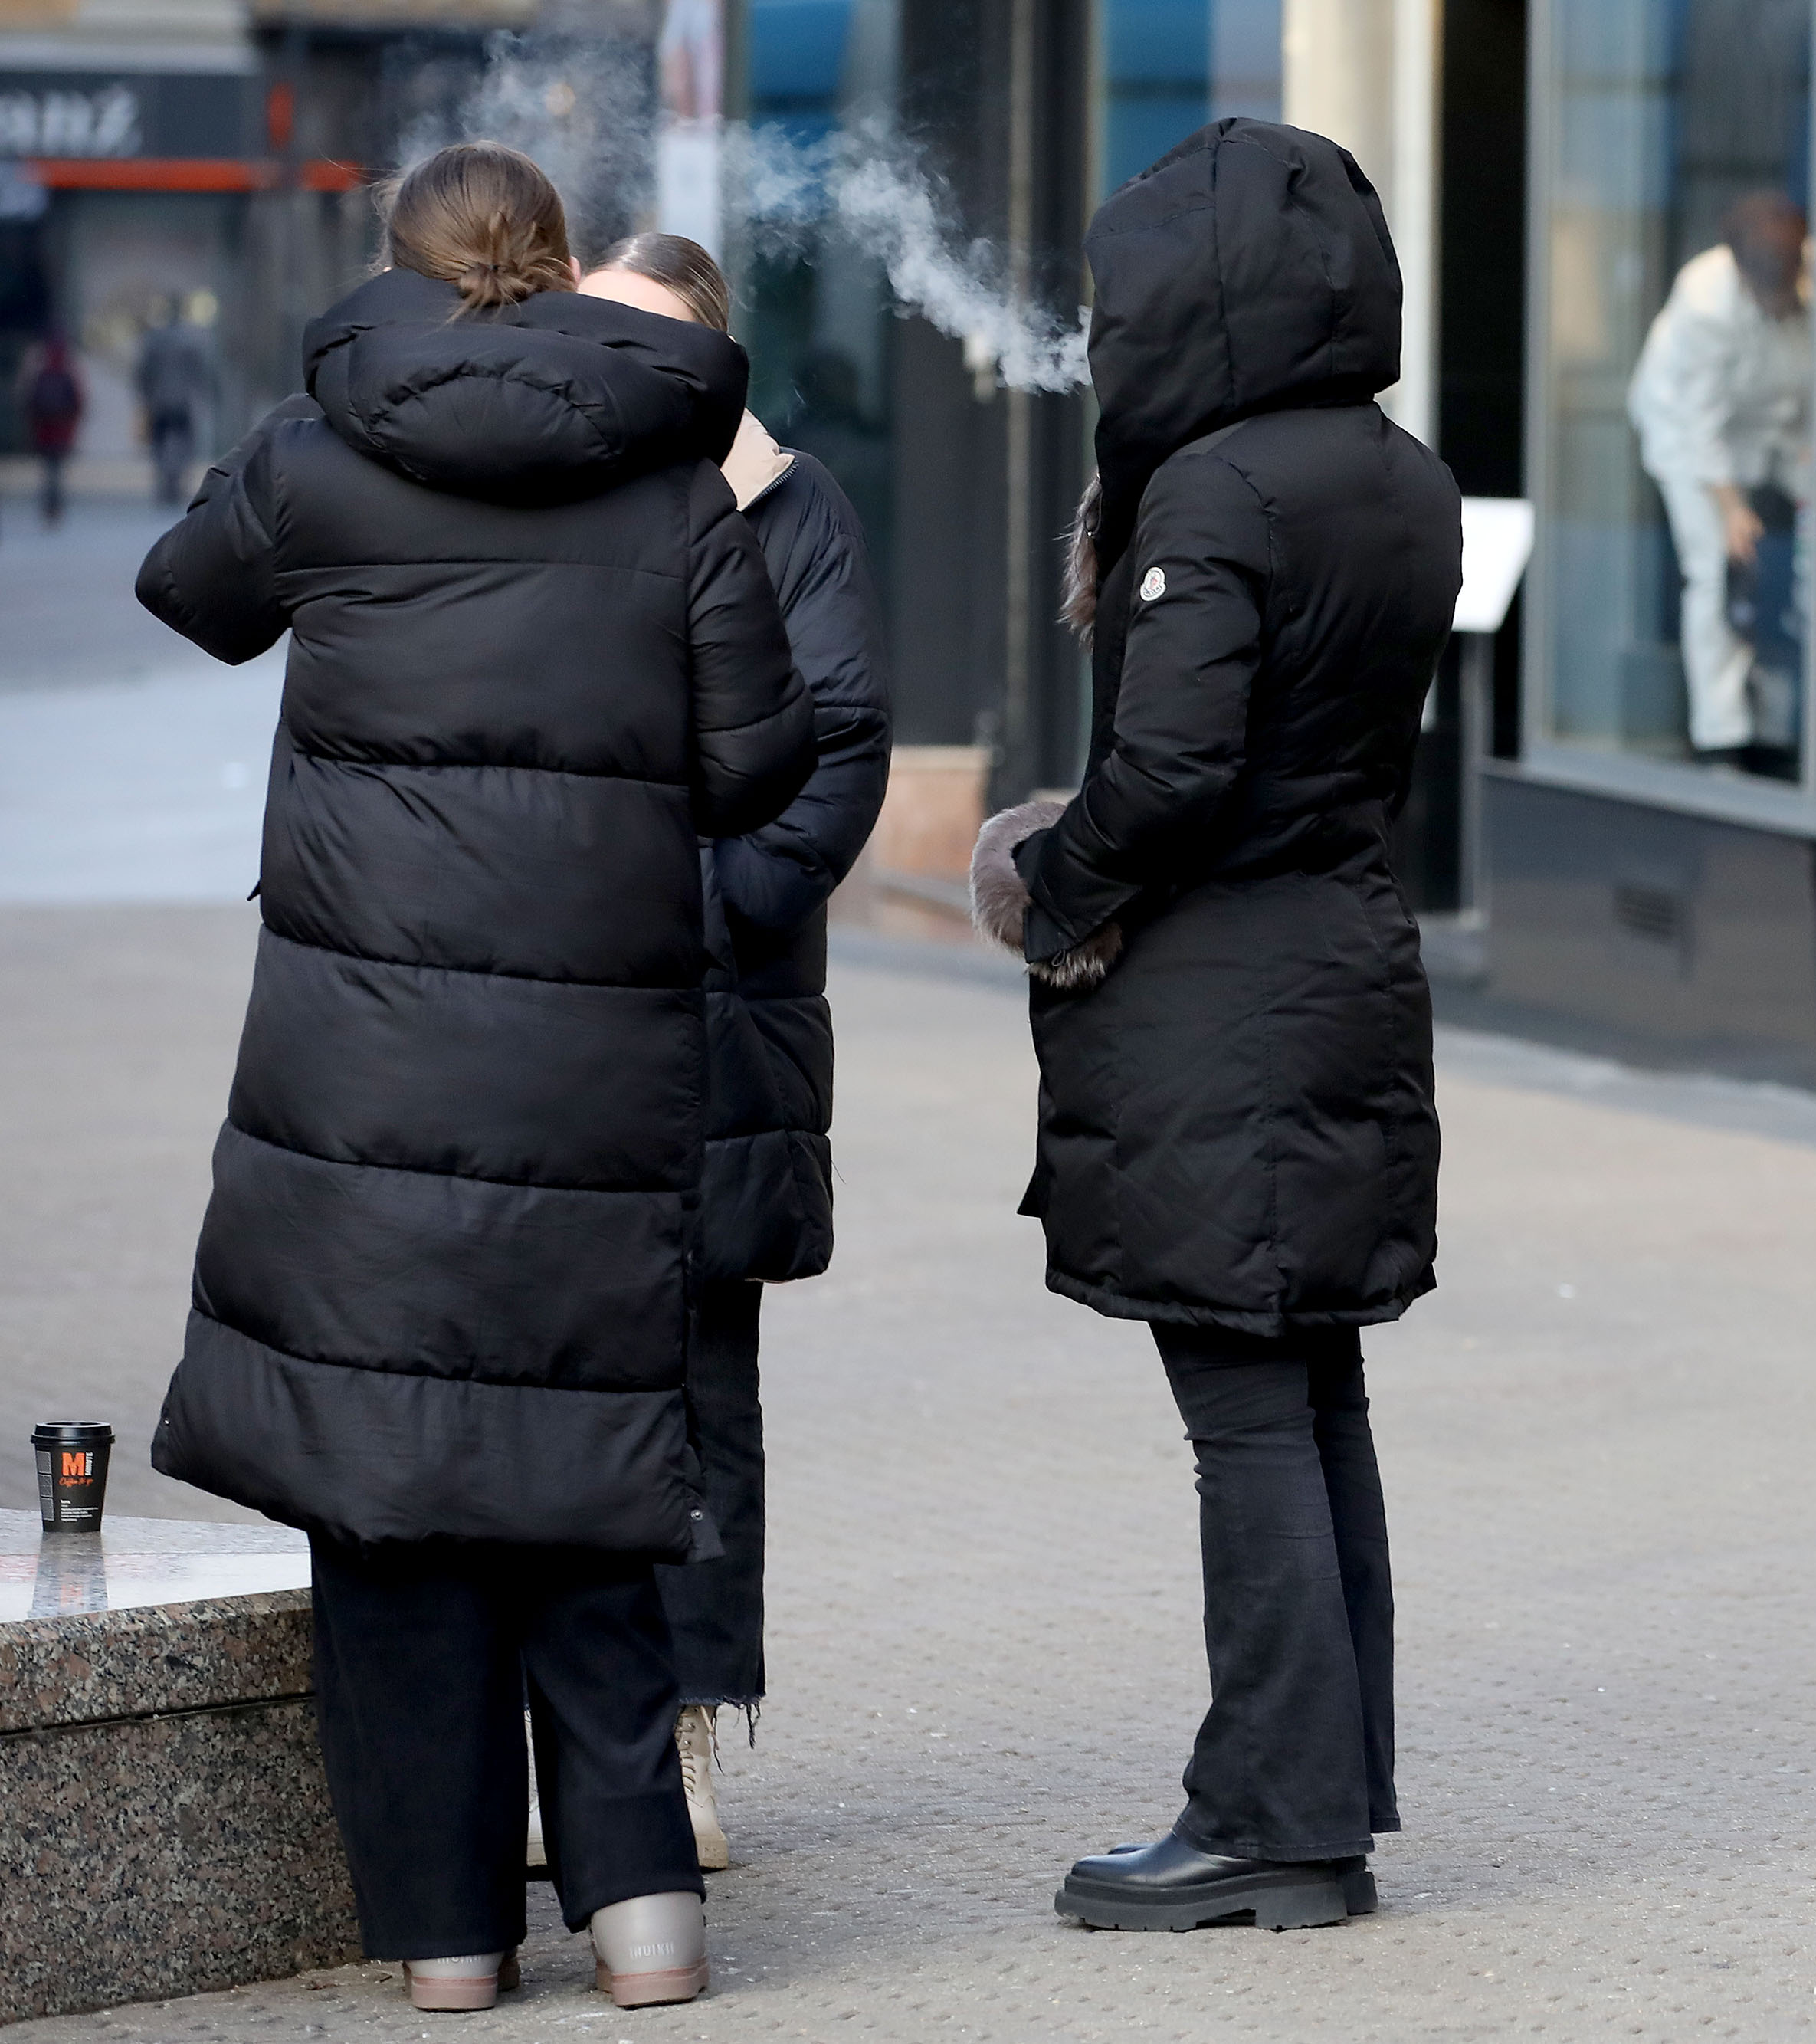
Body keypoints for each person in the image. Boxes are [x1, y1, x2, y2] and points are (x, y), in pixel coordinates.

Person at [136, 141, 813, 2009]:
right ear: (567, 271)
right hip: (595, 1064)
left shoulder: (315, 452)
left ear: (403, 267)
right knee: (583, 1476)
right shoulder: (670, 478)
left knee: (393, 1501)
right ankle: (648, 1923)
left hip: (361, 1079)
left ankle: (446, 1946)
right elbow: (756, 762)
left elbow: (183, 589)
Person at [966, 117, 1460, 1933]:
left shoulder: (1214, 492)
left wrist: (1052, 876)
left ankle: (1268, 1816)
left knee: (1247, 1414)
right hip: (1343, 966)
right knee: (1309, 1394)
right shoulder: (1396, 475)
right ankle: (1315, 1799)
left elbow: (1170, 768)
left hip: (1224, 1004)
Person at [577, 231, 891, 1868]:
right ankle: (569, 1741)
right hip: (550, 1025)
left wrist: (693, 903)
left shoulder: (793, 508)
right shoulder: (546, 492)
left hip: (716, 1018)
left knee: (701, 1389)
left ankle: (687, 1738)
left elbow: (836, 756)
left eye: (653, 341)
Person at [1626, 189, 1816, 771]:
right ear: (1739, 267)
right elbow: (1697, 419)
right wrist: (1731, 508)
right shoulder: (1702, 301)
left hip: (1791, 422)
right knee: (1716, 568)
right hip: (1693, 433)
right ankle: (1723, 733)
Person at [134, 298, 213, 506]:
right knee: (183, 442)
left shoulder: (156, 340)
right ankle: (176, 482)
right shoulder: (190, 340)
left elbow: (144, 371)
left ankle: (164, 482)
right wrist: (200, 393)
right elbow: (200, 371)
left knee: (160, 443)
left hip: (160, 400)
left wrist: (145, 394)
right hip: (182, 400)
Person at [17, 336, 82, 525]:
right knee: (57, 470)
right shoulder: (68, 373)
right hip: (62, 430)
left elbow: (28, 402)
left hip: (44, 431)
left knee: (48, 470)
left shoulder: (39, 373)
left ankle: (49, 505)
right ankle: (56, 505)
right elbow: (78, 403)